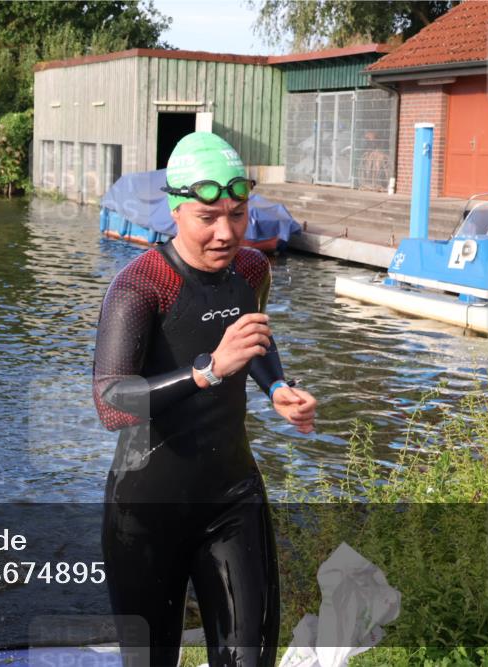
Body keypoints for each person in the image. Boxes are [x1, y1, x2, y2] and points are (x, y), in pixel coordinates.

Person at [93, 132, 317, 667]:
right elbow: (110, 402)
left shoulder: (252, 270)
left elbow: (252, 338)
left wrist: (277, 387)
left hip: (232, 497)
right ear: (175, 211)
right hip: (146, 510)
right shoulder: (141, 285)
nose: (226, 232)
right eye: (207, 217)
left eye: (238, 215)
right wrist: (209, 370)